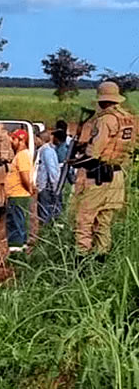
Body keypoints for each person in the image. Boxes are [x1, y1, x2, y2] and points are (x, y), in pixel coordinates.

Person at [73, 81, 136, 258]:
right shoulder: (128, 119)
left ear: (102, 100)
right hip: (117, 176)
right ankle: (101, 261)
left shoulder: (105, 120)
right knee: (104, 223)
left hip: (100, 176)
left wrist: (76, 161)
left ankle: (81, 262)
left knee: (84, 220)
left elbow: (94, 152)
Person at [5, 129, 35, 253]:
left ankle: (16, 254)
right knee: (19, 223)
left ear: (21, 140)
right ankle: (20, 249)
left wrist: (29, 189)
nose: (11, 142)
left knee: (15, 224)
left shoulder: (22, 155)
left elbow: (24, 175)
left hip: (18, 195)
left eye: (14, 139)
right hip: (17, 195)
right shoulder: (21, 155)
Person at [35, 131, 62, 225]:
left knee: (44, 212)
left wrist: (55, 188)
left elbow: (52, 170)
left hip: (46, 187)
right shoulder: (46, 150)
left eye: (36, 138)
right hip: (46, 186)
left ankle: (45, 232)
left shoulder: (46, 151)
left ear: (40, 139)